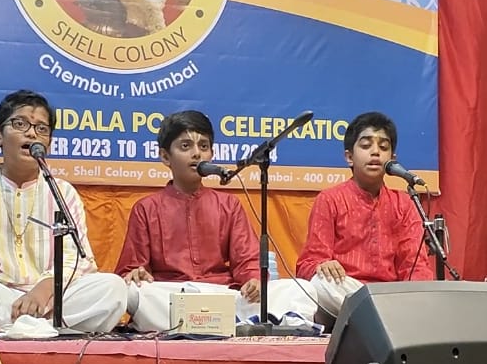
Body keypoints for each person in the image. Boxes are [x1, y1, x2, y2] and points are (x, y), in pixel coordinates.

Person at [0, 89, 127, 334]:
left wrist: (43, 289)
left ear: (49, 143)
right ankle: (30, 326)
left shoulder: (63, 191)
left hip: (50, 300)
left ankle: (8, 327)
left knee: (113, 287)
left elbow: (78, 260)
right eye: (20, 124)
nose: (31, 133)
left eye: (41, 128)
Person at [114, 109, 317, 332]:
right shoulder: (146, 208)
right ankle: (232, 324)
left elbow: (247, 258)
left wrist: (253, 281)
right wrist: (137, 274)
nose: (196, 154)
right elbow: (132, 269)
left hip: (222, 295)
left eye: (203, 146)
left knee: (298, 288)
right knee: (136, 292)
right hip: (172, 295)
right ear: (165, 157)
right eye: (185, 146)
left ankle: (216, 323)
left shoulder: (228, 205)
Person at [295, 111, 434, 325]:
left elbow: (415, 267)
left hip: (389, 297)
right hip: (344, 294)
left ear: (392, 160)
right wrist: (322, 265)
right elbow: (308, 264)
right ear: (349, 157)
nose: (375, 153)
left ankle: (379, 316)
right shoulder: (330, 199)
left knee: (425, 290)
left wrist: (417, 298)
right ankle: (379, 318)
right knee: (312, 285)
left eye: (383, 147)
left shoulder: (405, 204)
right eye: (366, 146)